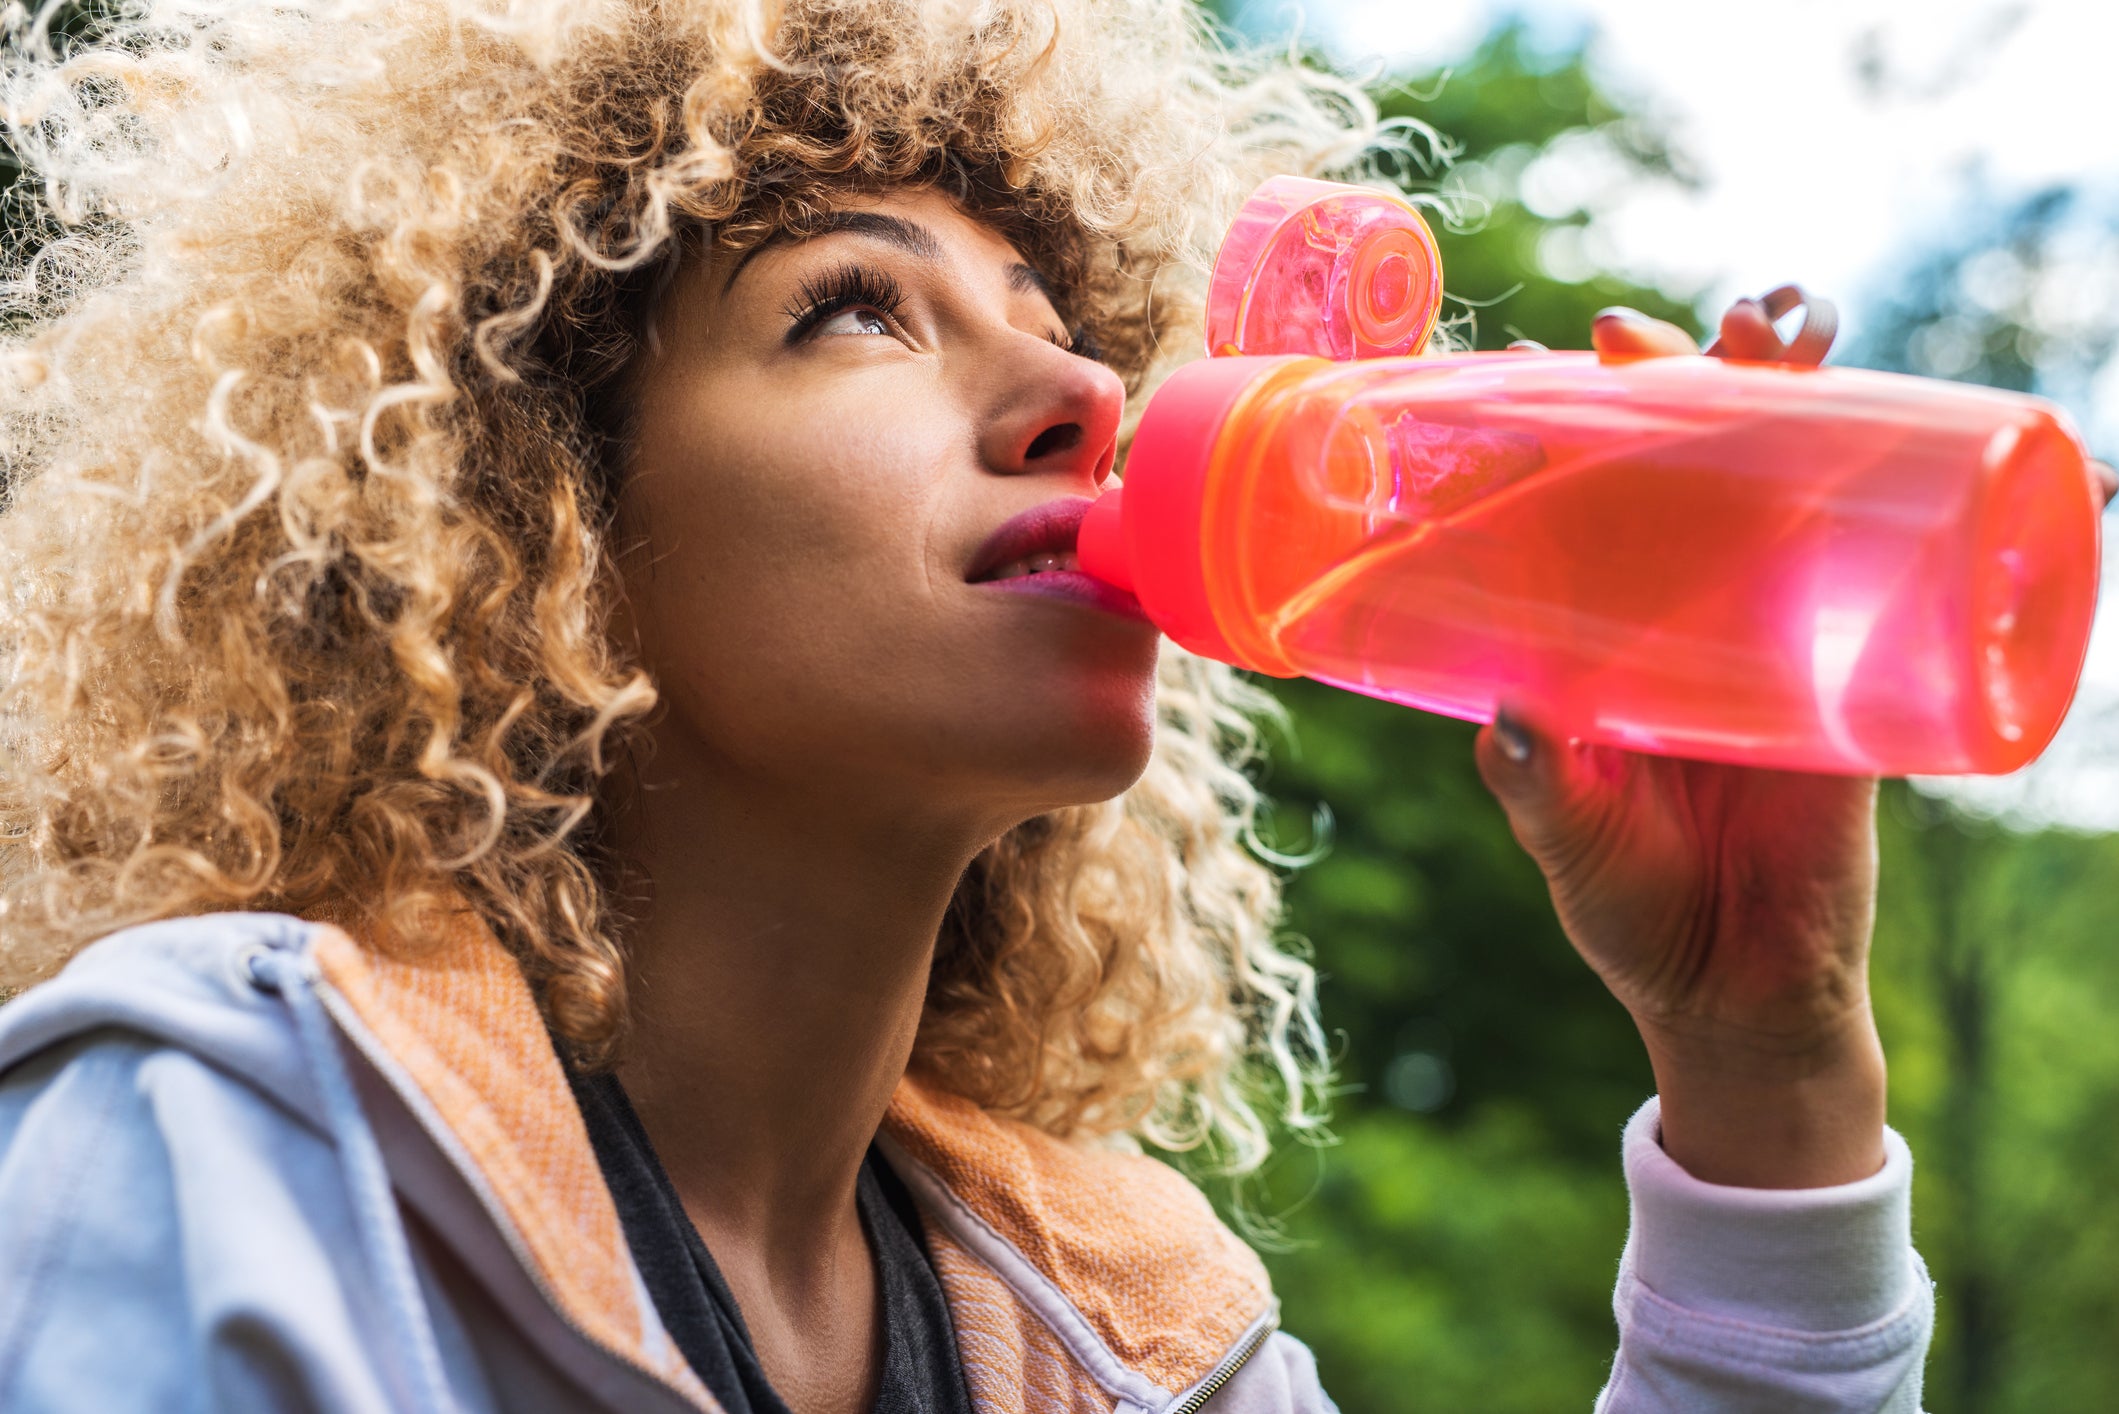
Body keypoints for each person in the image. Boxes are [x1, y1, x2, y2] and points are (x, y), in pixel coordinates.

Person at [0, 0, 1953, 1409]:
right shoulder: (233, 1148)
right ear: (534, 514)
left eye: (1059, 315)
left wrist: (1764, 1067)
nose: (1082, 396)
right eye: (853, 303)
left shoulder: (1130, 1334)